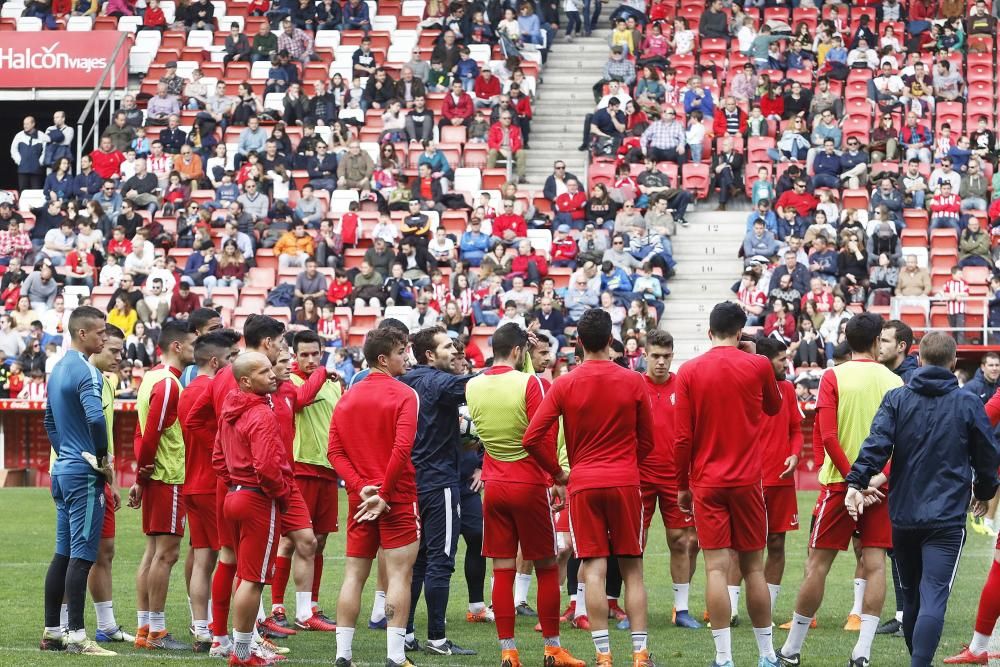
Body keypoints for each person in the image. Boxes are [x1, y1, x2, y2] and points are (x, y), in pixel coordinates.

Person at [846, 332, 999, 667]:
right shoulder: (967, 402)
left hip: (903, 514)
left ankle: (919, 661)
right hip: (946, 517)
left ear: (920, 358)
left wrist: (856, 481)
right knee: (933, 596)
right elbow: (987, 455)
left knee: (913, 597)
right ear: (953, 363)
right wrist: (986, 492)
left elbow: (876, 445)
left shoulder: (897, 398)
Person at [523, 308, 656, 667]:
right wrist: (628, 461)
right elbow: (650, 440)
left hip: (583, 482)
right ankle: (641, 655)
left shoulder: (566, 382)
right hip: (625, 481)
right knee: (632, 569)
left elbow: (533, 437)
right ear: (612, 339)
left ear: (578, 342)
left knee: (593, 568)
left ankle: (603, 656)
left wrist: (558, 474)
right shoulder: (633, 382)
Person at [778, 313, 904, 667]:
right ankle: (862, 652)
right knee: (875, 565)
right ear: (878, 340)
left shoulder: (833, 375)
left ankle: (791, 649)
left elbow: (828, 435)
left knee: (817, 565)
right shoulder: (894, 380)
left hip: (840, 485)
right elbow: (900, 444)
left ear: (846, 340)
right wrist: (870, 480)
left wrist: (852, 480)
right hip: (879, 486)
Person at [465, 324, 585, 667]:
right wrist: (556, 475)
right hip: (528, 483)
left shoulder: (473, 384)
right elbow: (540, 435)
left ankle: (508, 652)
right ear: (519, 351)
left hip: (494, 485)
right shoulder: (528, 383)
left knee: (502, 568)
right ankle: (552, 649)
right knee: (547, 565)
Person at [673, 302, 783, 667]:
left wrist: (682, 484)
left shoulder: (689, 371)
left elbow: (682, 438)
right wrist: (753, 357)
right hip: (748, 481)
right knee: (753, 568)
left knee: (716, 569)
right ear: (740, 333)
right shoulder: (759, 365)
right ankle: (767, 655)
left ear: (709, 332)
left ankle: (724, 658)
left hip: (707, 481)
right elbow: (774, 406)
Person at [329, 326, 420, 667]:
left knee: (354, 574)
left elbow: (334, 451)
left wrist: (358, 486)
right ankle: (395, 657)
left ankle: (343, 654)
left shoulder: (347, 396)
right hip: (395, 495)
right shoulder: (404, 395)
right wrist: (383, 492)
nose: (406, 358)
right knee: (399, 576)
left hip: (360, 498)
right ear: (383, 358)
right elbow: (402, 447)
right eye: (401, 353)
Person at [40, 306, 115, 656]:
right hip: (84, 476)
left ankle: (53, 631)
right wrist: (101, 460)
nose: (104, 337)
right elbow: (96, 420)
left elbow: (49, 421)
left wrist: (65, 451)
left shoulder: (56, 369)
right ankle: (77, 636)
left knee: (63, 553)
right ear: (82, 334)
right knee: (82, 556)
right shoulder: (87, 371)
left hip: (62, 471)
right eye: (100, 332)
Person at [399, 327, 477, 656]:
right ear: (430, 355)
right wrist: (506, 366)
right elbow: (475, 385)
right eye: (447, 347)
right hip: (439, 481)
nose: (455, 352)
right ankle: (438, 639)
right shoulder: (438, 381)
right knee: (440, 561)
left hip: (412, 480)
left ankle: (405, 633)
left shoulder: (405, 380)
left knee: (418, 562)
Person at [216, 351, 291, 667]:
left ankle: (243, 648)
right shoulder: (260, 413)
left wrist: (237, 479)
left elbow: (218, 459)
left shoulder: (230, 409)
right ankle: (243, 653)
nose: (272, 374)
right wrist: (280, 493)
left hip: (234, 495)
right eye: (263, 371)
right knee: (253, 579)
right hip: (257, 498)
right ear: (246, 380)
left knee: (245, 574)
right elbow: (267, 466)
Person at [129, 321, 196, 651]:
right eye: (193, 343)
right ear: (178, 347)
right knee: (166, 555)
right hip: (168, 477)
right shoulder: (169, 383)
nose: (197, 349)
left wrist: (140, 478)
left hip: (156, 477)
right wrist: (144, 477)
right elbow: (153, 433)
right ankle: (156, 631)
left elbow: (140, 431)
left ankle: (144, 629)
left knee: (153, 553)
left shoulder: (151, 378)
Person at [268, 330, 341, 630]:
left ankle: (310, 605)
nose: (310, 360)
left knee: (320, 541)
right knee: (290, 540)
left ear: (322, 351)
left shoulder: (334, 384)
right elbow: (300, 401)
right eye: (304, 355)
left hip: (327, 469)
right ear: (295, 355)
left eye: (316, 354)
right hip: (300, 467)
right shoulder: (290, 382)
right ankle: (277, 606)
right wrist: (323, 373)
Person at [177, 329, 240, 652]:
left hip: (192, 482)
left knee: (203, 560)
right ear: (216, 361)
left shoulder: (188, 390)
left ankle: (202, 628)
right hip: (214, 483)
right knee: (232, 559)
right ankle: (233, 633)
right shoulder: (218, 387)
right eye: (231, 357)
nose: (235, 363)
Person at [638, 329, 701, 629]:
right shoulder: (634, 385)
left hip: (676, 478)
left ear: (673, 355)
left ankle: (682, 609)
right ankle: (633, 610)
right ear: (645, 354)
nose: (661, 362)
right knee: (635, 543)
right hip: (640, 476)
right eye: (655, 356)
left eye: (666, 356)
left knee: (681, 541)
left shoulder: (685, 386)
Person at [84, 325, 134, 645]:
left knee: (106, 551)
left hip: (103, 477)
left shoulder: (108, 381)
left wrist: (112, 481)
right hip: (84, 476)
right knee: (78, 554)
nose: (119, 357)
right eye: (113, 350)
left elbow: (107, 435)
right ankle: (61, 627)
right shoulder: (84, 380)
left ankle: (107, 626)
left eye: (121, 351)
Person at [752, 336, 803, 619]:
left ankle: (767, 608)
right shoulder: (745, 389)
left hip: (781, 479)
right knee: (744, 546)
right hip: (749, 479)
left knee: (776, 543)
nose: (787, 363)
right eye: (781, 359)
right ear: (764, 362)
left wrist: (795, 455)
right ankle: (733, 607)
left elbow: (796, 429)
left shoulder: (788, 389)